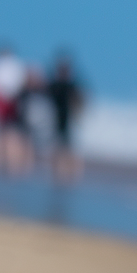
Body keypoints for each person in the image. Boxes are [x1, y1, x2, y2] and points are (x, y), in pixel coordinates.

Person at [0, 44, 31, 173]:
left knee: (8, 133)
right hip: (8, 102)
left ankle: (10, 164)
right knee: (8, 133)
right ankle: (8, 164)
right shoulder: (14, 65)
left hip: (8, 102)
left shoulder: (3, 65)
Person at [46, 53, 86, 183]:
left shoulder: (73, 86)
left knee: (71, 150)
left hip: (70, 121)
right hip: (56, 120)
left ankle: (74, 176)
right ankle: (58, 175)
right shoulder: (54, 85)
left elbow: (80, 103)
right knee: (57, 148)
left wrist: (79, 118)